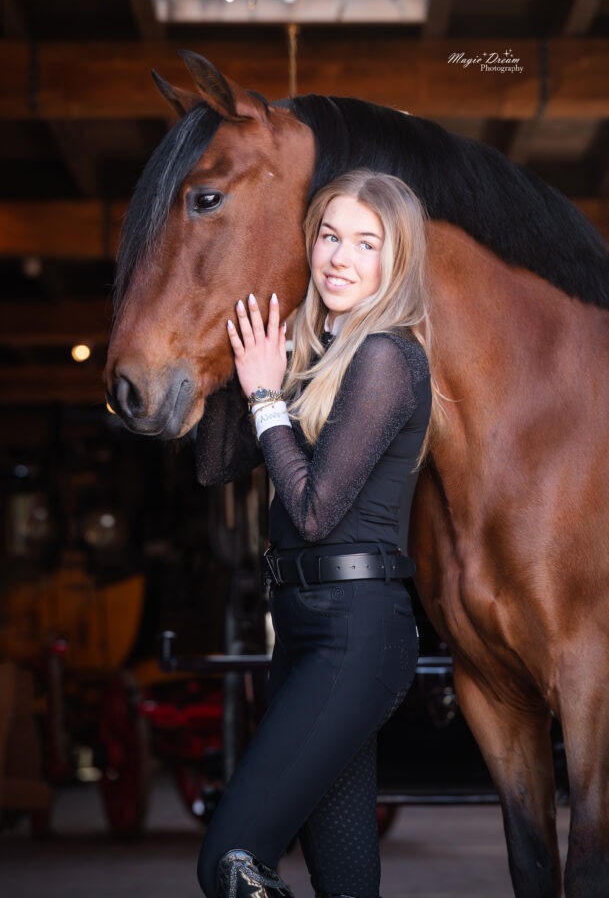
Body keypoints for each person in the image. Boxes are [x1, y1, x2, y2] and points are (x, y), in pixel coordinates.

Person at [196, 169, 437, 898]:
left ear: (396, 259)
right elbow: (215, 464)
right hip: (304, 630)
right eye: (330, 236)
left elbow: (311, 512)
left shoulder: (387, 356)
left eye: (366, 243)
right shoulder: (312, 354)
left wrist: (267, 394)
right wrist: (237, 350)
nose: (339, 257)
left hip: (357, 633)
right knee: (344, 880)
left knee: (231, 861)